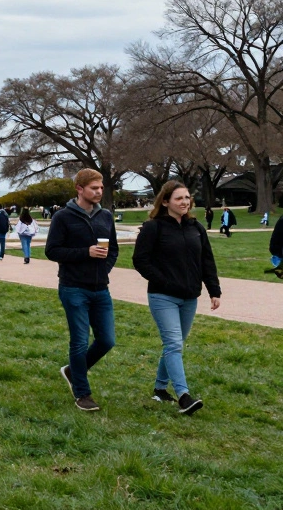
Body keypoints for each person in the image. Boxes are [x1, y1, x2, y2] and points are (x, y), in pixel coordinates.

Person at [132, 180, 222, 415]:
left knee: (176, 344)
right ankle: (184, 396)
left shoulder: (196, 227)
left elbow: (207, 261)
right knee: (173, 343)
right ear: (165, 201)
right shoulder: (153, 228)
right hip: (163, 297)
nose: (184, 202)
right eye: (178, 198)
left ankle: (160, 389)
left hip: (190, 297)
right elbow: (140, 261)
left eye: (186, 198)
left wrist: (214, 291)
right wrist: (164, 281)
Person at [45, 169, 119, 412]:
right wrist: (85, 252)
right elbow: (52, 251)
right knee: (79, 341)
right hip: (73, 287)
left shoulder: (105, 216)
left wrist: (104, 269)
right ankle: (82, 393)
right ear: (79, 189)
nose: (99, 192)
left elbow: (114, 250)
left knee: (107, 340)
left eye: (100, 188)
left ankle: (72, 371)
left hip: (101, 289)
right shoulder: (63, 217)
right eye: (94, 188)